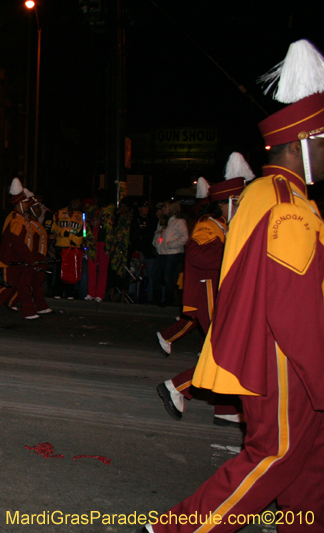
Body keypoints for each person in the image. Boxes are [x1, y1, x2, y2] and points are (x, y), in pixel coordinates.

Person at [143, 39, 324, 533]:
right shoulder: (289, 206)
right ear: (303, 141)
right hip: (285, 362)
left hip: (267, 352)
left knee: (307, 472)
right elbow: (296, 306)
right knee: (276, 456)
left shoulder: (264, 194)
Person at [155, 157, 252, 428]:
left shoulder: (223, 225)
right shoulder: (211, 225)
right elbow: (196, 253)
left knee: (223, 351)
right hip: (208, 295)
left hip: (217, 294)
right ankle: (177, 386)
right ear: (226, 203)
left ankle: (225, 408)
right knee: (224, 354)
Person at [0, 178, 40, 319]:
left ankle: (29, 312)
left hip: (19, 259)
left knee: (23, 286)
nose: (28, 205)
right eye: (26, 202)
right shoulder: (16, 219)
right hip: (11, 260)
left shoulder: (21, 219)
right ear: (19, 204)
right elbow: (16, 242)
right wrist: (29, 257)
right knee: (7, 285)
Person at [151, 199, 188, 306]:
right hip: (162, 252)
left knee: (168, 276)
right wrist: (156, 243)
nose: (163, 209)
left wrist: (170, 244)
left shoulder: (179, 221)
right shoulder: (163, 221)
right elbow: (157, 233)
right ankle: (156, 299)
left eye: (165, 207)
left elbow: (184, 237)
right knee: (156, 275)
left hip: (173, 253)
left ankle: (168, 300)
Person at [84, 189, 116, 302]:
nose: (95, 200)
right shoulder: (93, 211)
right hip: (93, 242)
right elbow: (86, 226)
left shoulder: (110, 211)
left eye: (97, 198)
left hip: (104, 243)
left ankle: (100, 294)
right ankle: (91, 292)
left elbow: (112, 229)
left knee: (103, 269)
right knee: (91, 268)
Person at [52, 199, 84, 299]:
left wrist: (76, 240)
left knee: (72, 270)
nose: (76, 204)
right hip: (61, 246)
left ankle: (70, 292)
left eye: (78, 203)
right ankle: (58, 292)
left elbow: (84, 232)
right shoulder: (59, 213)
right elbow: (53, 227)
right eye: (74, 201)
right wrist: (63, 232)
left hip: (74, 246)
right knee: (59, 271)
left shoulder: (81, 216)